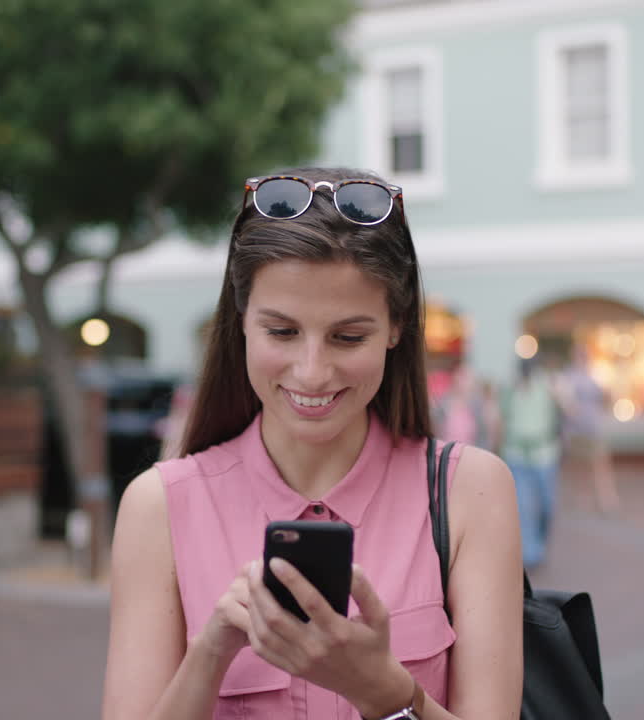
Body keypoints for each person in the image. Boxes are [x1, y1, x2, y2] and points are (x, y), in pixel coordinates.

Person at [101, 168, 523, 720]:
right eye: (282, 331)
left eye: (349, 337)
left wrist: (389, 696)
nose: (312, 371)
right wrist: (211, 652)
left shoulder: (470, 492)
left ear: (396, 327)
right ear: (241, 318)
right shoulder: (158, 506)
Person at [502, 357, 562, 570]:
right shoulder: (510, 390)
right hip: (517, 454)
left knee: (547, 504)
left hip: (544, 455)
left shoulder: (547, 387)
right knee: (523, 506)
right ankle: (531, 552)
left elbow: (565, 409)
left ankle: (540, 543)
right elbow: (501, 419)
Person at [557, 344, 620, 514]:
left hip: (593, 428)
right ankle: (581, 500)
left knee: (600, 465)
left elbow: (605, 399)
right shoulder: (568, 377)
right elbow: (565, 403)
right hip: (575, 430)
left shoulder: (594, 375)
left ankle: (607, 500)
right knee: (578, 468)